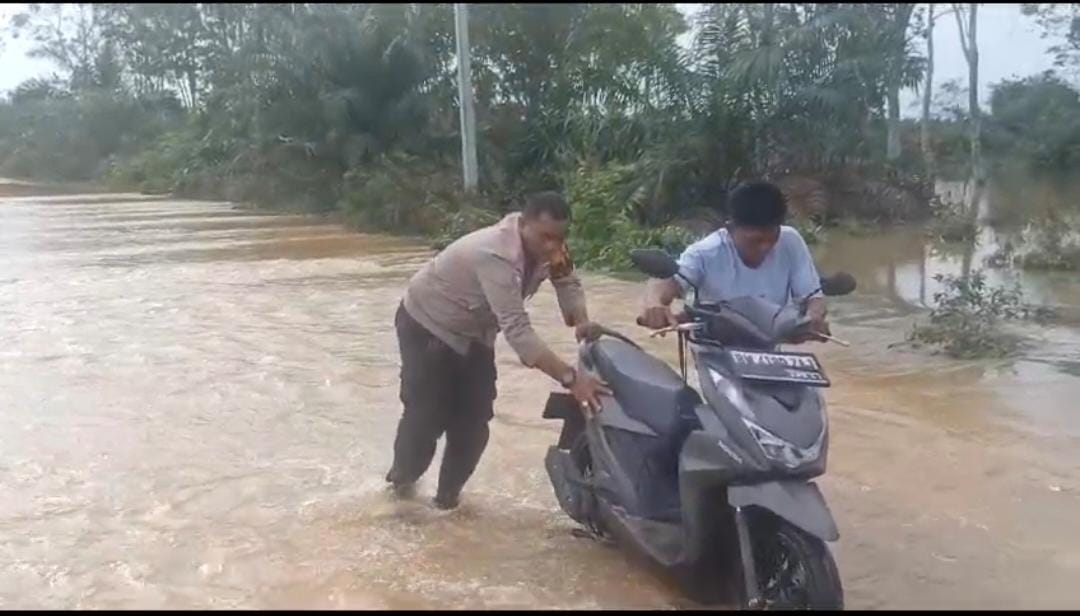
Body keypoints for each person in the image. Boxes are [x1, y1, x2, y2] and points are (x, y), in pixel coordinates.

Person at [386, 191, 611, 510]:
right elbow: (519, 333)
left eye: (558, 238)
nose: (552, 246)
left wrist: (581, 321)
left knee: (475, 421)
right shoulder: (495, 255)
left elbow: (567, 283)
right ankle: (400, 493)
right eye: (544, 237)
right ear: (523, 224)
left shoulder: (554, 248)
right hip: (428, 324)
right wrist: (572, 379)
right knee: (427, 415)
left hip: (476, 331)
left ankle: (447, 503)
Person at [638, 180, 830, 339]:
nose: (766, 247)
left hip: (769, 348)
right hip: (715, 351)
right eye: (756, 240)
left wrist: (813, 318)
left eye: (772, 238)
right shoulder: (705, 252)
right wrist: (655, 304)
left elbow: (813, 297)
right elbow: (667, 281)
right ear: (730, 228)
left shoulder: (791, 241)